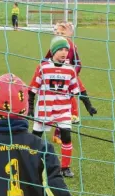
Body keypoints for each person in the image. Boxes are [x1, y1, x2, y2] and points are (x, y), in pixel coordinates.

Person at [30, 36, 79, 178]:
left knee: (66, 135)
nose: (64, 52)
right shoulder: (43, 68)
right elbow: (32, 88)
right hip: (44, 108)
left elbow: (76, 88)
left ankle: (65, 167)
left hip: (63, 108)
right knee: (36, 137)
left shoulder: (69, 69)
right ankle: (31, 163)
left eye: (66, 50)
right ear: (53, 51)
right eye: (61, 50)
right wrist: (31, 108)